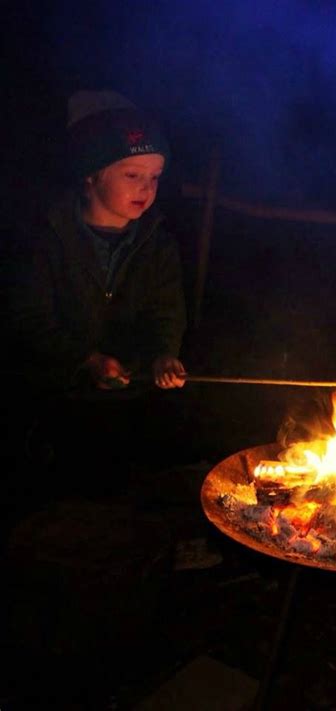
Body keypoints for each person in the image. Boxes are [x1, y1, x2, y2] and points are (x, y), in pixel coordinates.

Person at [2, 89, 188, 503]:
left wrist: (163, 355)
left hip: (130, 403)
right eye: (132, 175)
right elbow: (28, 322)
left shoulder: (156, 243)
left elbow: (167, 312)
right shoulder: (48, 239)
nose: (146, 188)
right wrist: (85, 360)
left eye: (155, 177)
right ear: (91, 176)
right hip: (53, 402)